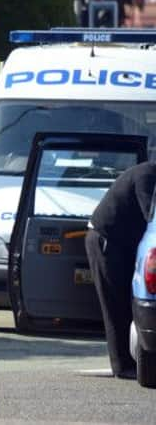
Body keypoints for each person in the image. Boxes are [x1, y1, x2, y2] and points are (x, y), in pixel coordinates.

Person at [86, 161, 156, 379]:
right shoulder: (148, 175)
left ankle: (128, 362)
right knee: (115, 305)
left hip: (119, 242)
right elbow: (150, 215)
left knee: (125, 300)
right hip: (106, 240)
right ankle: (122, 366)